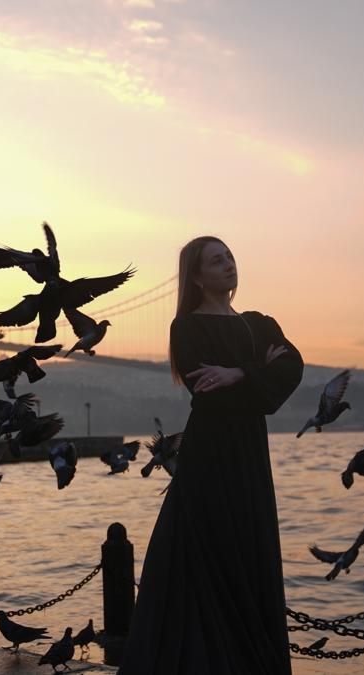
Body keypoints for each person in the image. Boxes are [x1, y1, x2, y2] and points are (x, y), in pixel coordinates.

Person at [118, 236, 304, 674]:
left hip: (249, 453)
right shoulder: (186, 329)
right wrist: (258, 376)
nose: (229, 265)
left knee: (248, 546)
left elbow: (291, 369)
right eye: (216, 260)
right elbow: (210, 392)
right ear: (197, 277)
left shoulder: (260, 324)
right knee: (206, 549)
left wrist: (238, 372)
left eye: (230, 257)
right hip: (209, 454)